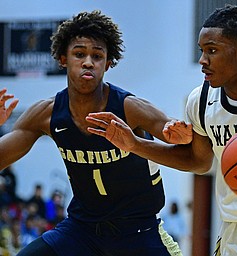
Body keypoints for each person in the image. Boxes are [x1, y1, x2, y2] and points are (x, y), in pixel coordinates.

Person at [86, 4, 237, 256]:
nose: (202, 60)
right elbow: (198, 161)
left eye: (212, 50)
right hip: (235, 224)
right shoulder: (200, 100)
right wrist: (134, 144)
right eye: (202, 51)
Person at [0, 10, 184, 256]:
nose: (88, 62)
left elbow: (184, 146)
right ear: (63, 59)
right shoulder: (45, 114)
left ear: (107, 63)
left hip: (138, 232)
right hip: (81, 230)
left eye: (97, 56)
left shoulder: (130, 107)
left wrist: (180, 133)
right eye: (79, 54)